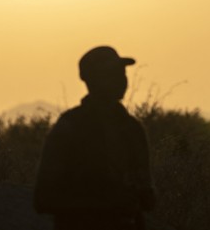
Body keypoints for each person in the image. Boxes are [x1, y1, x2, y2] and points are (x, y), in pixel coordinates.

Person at [34, 46, 155, 229]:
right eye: (112, 74)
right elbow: (43, 199)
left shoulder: (131, 129)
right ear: (93, 80)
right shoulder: (71, 127)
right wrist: (102, 203)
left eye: (122, 74)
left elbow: (146, 196)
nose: (121, 80)